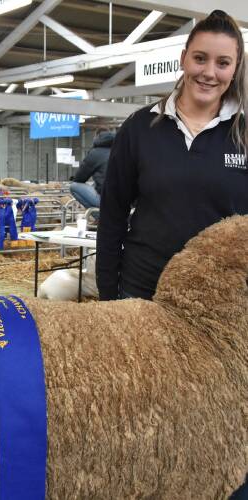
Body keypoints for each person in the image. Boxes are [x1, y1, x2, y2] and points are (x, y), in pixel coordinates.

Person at [97, 9, 248, 304]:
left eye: (223, 63)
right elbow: (112, 216)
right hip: (142, 295)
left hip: (219, 306)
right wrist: (107, 295)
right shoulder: (139, 127)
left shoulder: (245, 134)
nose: (209, 72)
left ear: (235, 68)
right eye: (200, 58)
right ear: (183, 58)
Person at [69, 127, 114, 209]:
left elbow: (79, 178)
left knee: (74, 186)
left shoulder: (95, 153)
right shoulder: (122, 150)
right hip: (128, 201)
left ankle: (100, 217)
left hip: (109, 200)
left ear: (96, 137)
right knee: (95, 184)